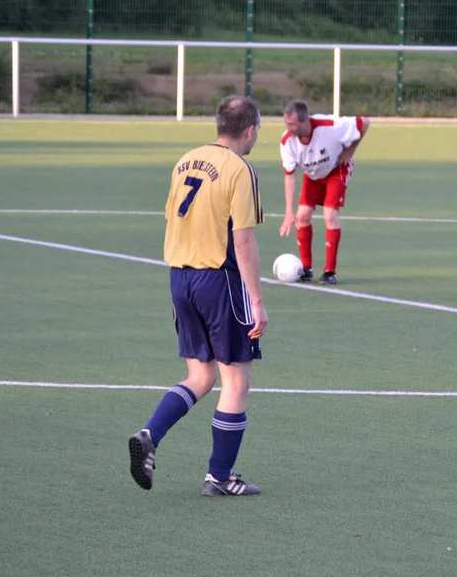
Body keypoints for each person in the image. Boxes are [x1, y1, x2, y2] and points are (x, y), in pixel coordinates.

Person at [128, 95, 269, 496]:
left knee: (200, 375)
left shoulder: (185, 160)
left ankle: (150, 435)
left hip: (180, 279)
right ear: (250, 130)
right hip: (219, 281)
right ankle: (220, 477)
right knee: (235, 382)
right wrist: (257, 301)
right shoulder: (241, 169)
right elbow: (242, 241)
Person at [279, 100, 370, 285]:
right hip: (313, 175)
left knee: (330, 215)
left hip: (337, 170)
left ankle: (329, 271)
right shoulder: (287, 141)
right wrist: (289, 212)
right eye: (286, 124)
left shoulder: (330, 126)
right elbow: (289, 176)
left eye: (292, 124)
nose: (289, 129)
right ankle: (306, 268)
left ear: (305, 121)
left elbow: (364, 122)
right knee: (302, 216)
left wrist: (350, 150)